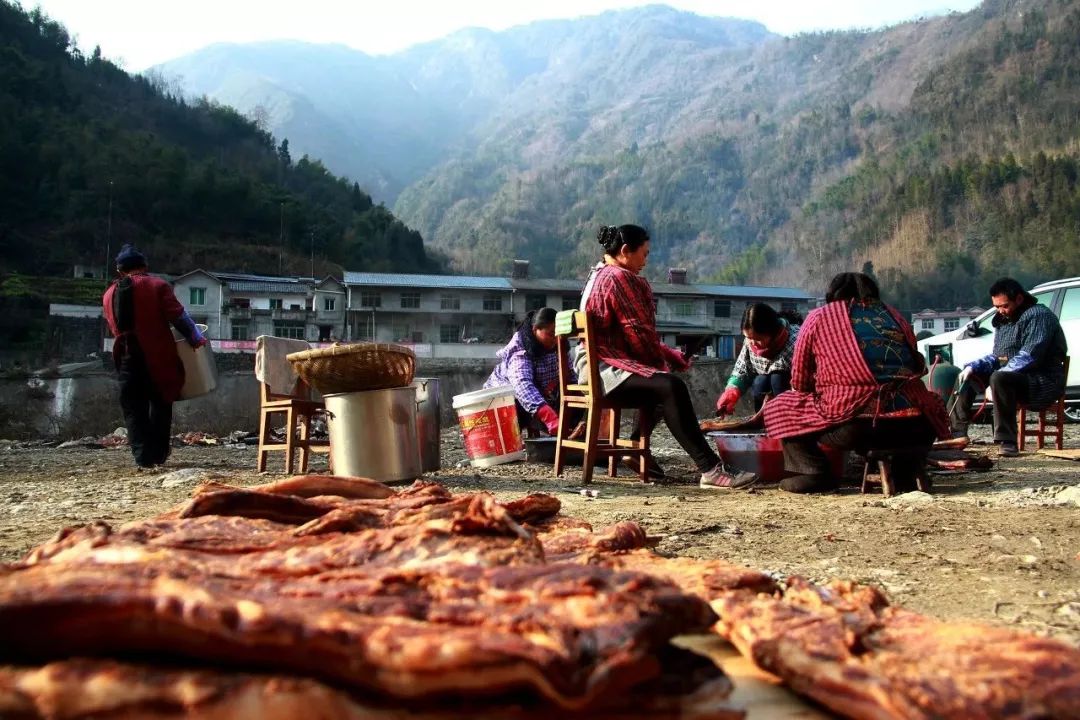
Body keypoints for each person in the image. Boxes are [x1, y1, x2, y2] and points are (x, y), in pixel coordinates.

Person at [582, 224, 757, 489]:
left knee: (661, 381)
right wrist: (663, 365)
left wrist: (668, 356)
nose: (645, 261)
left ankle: (634, 448)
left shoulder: (598, 274)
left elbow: (637, 336)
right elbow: (639, 333)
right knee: (670, 386)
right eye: (644, 253)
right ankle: (710, 468)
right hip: (604, 370)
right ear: (626, 251)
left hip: (592, 365)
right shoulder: (620, 278)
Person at [764, 272, 950, 494]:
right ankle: (905, 472)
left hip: (859, 427)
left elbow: (800, 381)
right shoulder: (894, 315)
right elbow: (917, 364)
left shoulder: (819, 317)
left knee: (781, 406)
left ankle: (815, 473)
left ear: (832, 295)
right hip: (920, 425)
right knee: (923, 400)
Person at [102, 245, 206, 468]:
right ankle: (158, 455)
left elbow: (113, 326)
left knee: (133, 407)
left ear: (119, 270)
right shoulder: (157, 285)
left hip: (126, 356)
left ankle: (142, 458)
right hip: (157, 354)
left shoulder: (109, 294)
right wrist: (196, 339)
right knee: (160, 402)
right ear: (144, 266)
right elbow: (179, 317)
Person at [949, 277, 1068, 456]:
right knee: (965, 375)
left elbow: (1030, 355)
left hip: (1041, 380)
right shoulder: (1004, 321)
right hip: (1012, 378)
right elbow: (999, 358)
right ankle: (955, 434)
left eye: (1004, 306)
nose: (1001, 311)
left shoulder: (1039, 316)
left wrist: (995, 380)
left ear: (1019, 299)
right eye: (996, 307)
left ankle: (1007, 441)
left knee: (999, 377)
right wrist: (973, 367)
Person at [483, 307, 571, 436]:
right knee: (518, 409)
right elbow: (523, 385)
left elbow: (570, 375)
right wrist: (549, 417)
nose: (555, 339)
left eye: (558, 334)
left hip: (541, 394)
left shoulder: (559, 345)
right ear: (535, 329)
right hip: (503, 402)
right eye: (551, 334)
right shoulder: (520, 350)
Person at [716, 303, 800, 416]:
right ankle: (763, 421)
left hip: (794, 396)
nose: (753, 343)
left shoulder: (797, 340)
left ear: (772, 332)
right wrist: (731, 392)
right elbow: (742, 370)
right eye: (748, 338)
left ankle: (788, 420)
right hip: (764, 395)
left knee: (777, 378)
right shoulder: (750, 342)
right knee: (760, 381)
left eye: (758, 339)